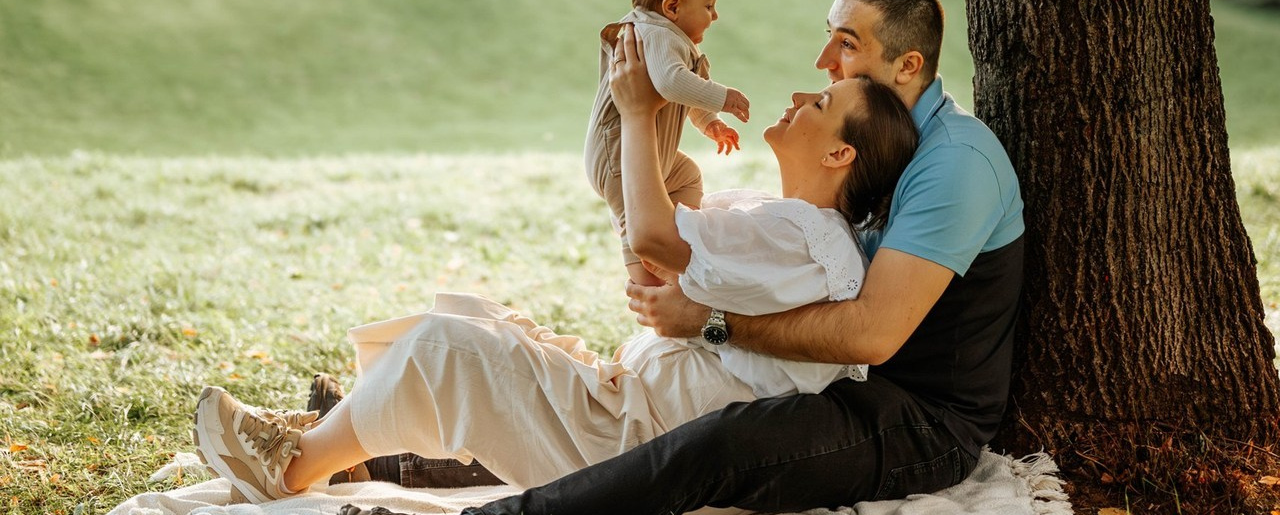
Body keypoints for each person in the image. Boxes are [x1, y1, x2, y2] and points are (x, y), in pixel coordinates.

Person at [191, 61, 918, 503]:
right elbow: (662, 257)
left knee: (453, 347)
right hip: (633, 406)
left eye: (821, 105)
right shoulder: (782, 220)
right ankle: (324, 444)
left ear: (840, 154)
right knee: (478, 320)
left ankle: (287, 469)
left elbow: (652, 238)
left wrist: (637, 114)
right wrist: (655, 125)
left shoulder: (810, 240)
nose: (800, 94)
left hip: (643, 442)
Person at [460, 0, 1025, 515]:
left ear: (908, 65)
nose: (824, 62)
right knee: (656, 405)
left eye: (847, 44)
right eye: (828, 37)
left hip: (917, 416)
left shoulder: (955, 163)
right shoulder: (877, 134)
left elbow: (872, 335)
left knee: (724, 441)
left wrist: (710, 321)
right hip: (833, 375)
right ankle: (412, 462)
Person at [586, 0, 752, 285]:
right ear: (673, 7)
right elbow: (672, 83)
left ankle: (680, 241)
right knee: (635, 224)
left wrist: (709, 122)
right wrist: (723, 98)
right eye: (709, 6)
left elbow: (681, 91)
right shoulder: (656, 33)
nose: (715, 16)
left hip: (651, 151)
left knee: (687, 174)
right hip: (618, 152)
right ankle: (647, 282)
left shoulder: (667, 36)